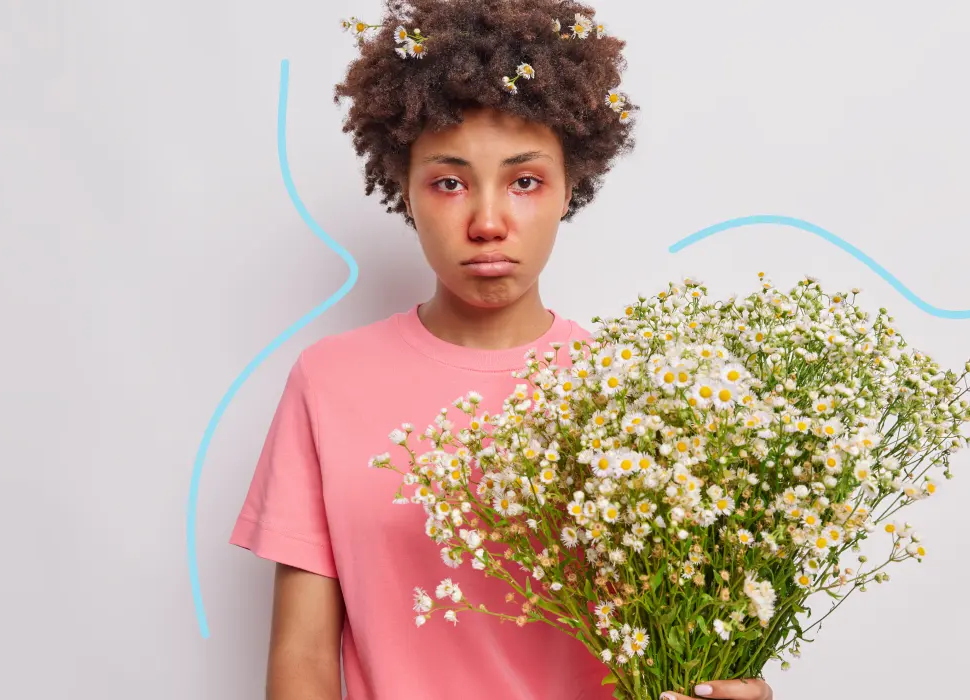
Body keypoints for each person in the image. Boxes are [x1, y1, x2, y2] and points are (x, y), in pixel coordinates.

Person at [230, 1, 773, 698]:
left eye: (524, 181)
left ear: (569, 188)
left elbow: (687, 636)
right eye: (449, 182)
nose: (487, 222)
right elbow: (302, 660)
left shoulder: (642, 398)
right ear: (404, 190)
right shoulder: (328, 382)